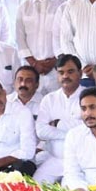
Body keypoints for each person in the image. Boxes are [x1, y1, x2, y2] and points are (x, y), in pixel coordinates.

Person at [15, 0, 68, 96]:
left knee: (58, 110)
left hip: (58, 69)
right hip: (32, 71)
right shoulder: (24, 7)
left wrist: (55, 61)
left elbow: (69, 37)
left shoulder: (64, 4)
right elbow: (20, 39)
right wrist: (34, 63)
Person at [34, 54, 84, 183]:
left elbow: (88, 128)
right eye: (61, 72)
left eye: (70, 71)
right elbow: (41, 131)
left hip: (81, 162)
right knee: (36, 187)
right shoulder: (49, 99)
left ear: (80, 73)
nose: (65, 76)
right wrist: (72, 132)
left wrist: (58, 124)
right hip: (54, 158)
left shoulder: (88, 96)